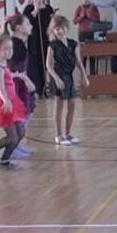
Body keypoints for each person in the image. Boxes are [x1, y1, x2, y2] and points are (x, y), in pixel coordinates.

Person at [0, 34, 29, 169]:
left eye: (11, 48)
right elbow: (0, 87)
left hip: (13, 101)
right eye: (6, 49)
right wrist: (6, 100)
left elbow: (8, 76)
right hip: (4, 104)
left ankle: (4, 159)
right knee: (12, 137)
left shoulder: (4, 64)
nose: (10, 52)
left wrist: (19, 76)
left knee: (21, 133)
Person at [46, 15, 90, 146]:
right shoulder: (52, 46)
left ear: (66, 28)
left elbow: (78, 62)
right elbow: (48, 65)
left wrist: (84, 76)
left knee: (72, 105)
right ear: (53, 30)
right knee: (59, 106)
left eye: (62, 28)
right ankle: (59, 135)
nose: (60, 31)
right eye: (57, 28)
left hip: (69, 77)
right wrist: (56, 79)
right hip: (59, 77)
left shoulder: (73, 44)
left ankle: (68, 133)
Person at [5, 14, 37, 158]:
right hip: (16, 86)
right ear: (18, 28)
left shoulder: (21, 43)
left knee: (27, 113)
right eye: (27, 24)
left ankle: (19, 144)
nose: (31, 26)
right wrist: (24, 79)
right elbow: (10, 70)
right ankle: (14, 146)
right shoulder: (15, 44)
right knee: (20, 115)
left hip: (22, 83)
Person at [22, 0, 54, 98]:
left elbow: (52, 24)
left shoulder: (48, 9)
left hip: (46, 41)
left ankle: (43, 89)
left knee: (44, 65)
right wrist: (36, 10)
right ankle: (35, 90)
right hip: (33, 42)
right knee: (33, 67)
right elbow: (26, 23)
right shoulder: (28, 9)